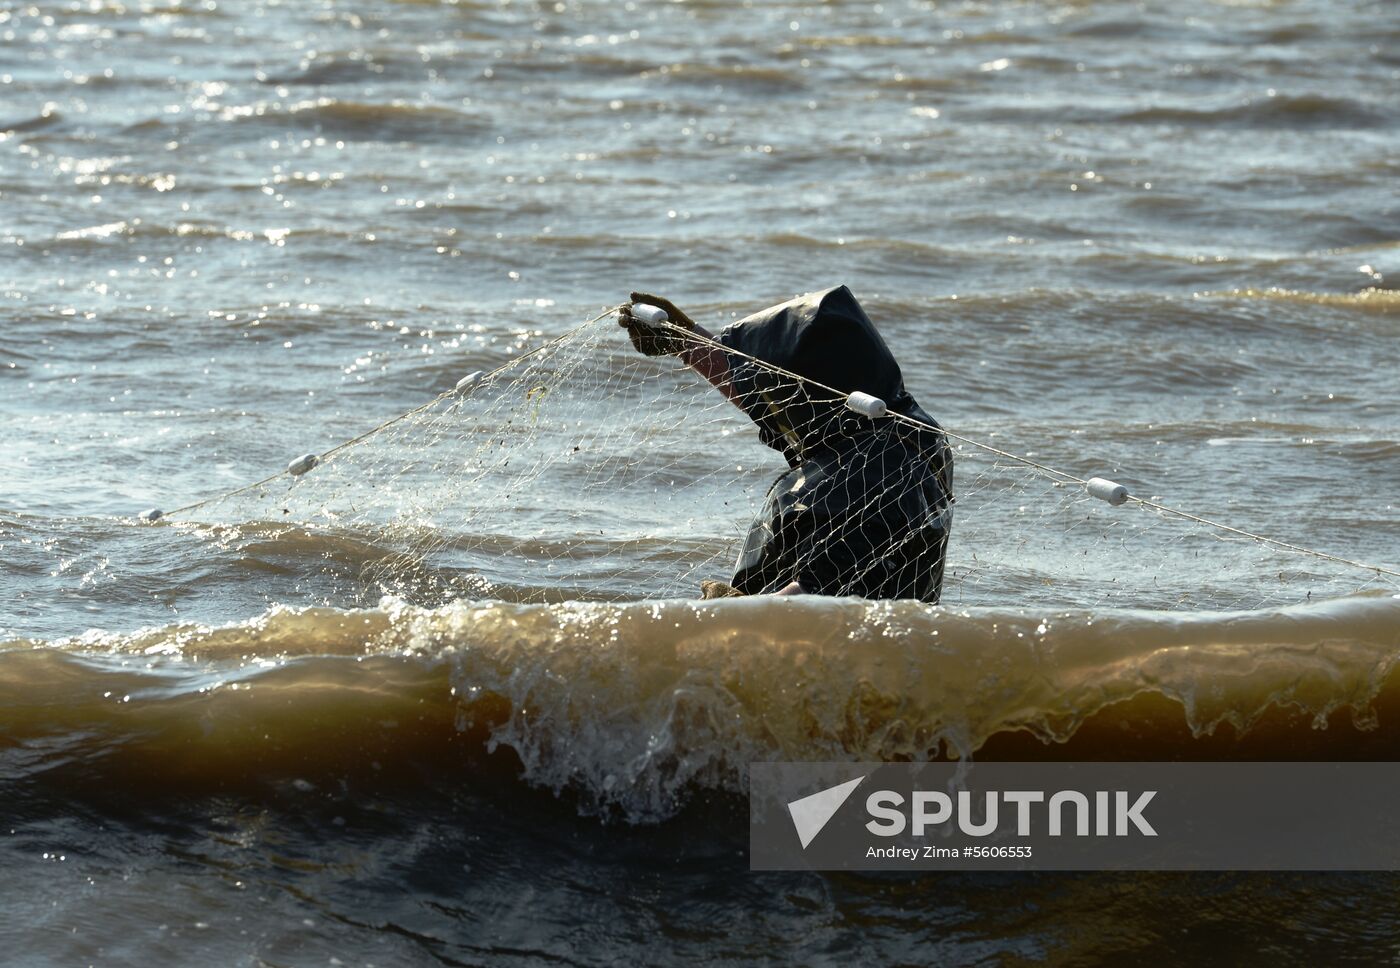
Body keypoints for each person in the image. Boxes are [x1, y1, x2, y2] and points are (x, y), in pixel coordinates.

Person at [619, 285, 954, 604]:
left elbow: (814, 599)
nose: (768, 405)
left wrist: (722, 614)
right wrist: (686, 341)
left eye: (775, 395)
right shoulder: (894, 424)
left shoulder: (862, 478)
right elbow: (777, 390)